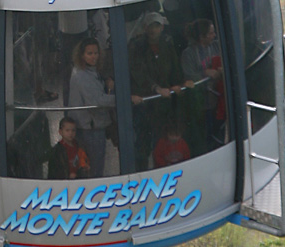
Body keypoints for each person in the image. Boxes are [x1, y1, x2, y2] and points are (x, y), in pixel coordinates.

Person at [128, 12, 191, 169]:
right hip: (145, 102)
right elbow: (138, 72)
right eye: (150, 26)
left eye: (156, 26)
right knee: (142, 143)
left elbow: (174, 67)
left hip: (162, 104)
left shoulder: (167, 43)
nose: (153, 30)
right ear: (144, 28)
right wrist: (156, 88)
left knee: (161, 141)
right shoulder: (136, 46)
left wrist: (178, 84)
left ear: (162, 27)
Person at [68, 38, 116, 178]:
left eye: (96, 53)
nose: (94, 56)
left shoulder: (86, 71)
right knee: (95, 167)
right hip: (90, 128)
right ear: (82, 55)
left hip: (89, 126)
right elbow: (96, 101)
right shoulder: (82, 75)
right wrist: (122, 99)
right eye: (89, 53)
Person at [181, 19, 225, 148]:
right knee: (203, 137)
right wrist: (205, 74)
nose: (214, 36)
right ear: (201, 37)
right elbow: (188, 76)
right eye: (211, 33)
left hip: (219, 100)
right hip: (200, 103)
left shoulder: (217, 46)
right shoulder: (188, 54)